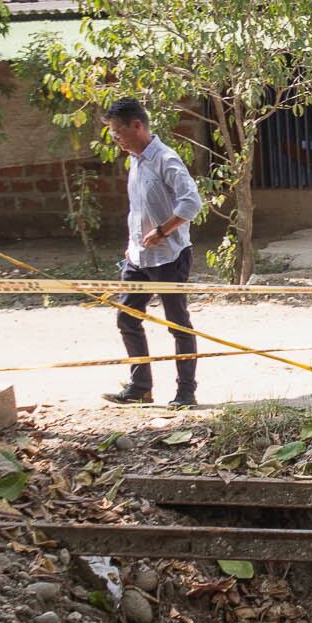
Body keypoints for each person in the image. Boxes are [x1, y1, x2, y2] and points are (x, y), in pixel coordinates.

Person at [100, 97, 204, 407]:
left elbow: (191, 204)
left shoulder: (166, 160)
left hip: (169, 258)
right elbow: (139, 209)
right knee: (127, 318)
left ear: (137, 125)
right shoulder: (134, 159)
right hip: (138, 258)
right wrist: (133, 243)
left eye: (118, 131)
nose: (115, 138)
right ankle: (140, 387)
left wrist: (162, 231)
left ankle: (186, 391)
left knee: (177, 324)